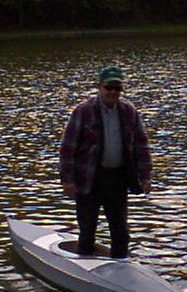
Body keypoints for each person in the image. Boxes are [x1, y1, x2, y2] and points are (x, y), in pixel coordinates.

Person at [59, 65, 152, 259]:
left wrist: (145, 176)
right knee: (87, 231)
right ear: (99, 87)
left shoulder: (129, 111)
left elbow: (141, 146)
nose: (113, 92)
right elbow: (67, 148)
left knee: (121, 232)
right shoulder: (83, 111)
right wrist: (67, 180)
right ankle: (83, 269)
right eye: (109, 87)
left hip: (117, 178)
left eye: (117, 88)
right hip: (88, 178)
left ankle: (121, 268)